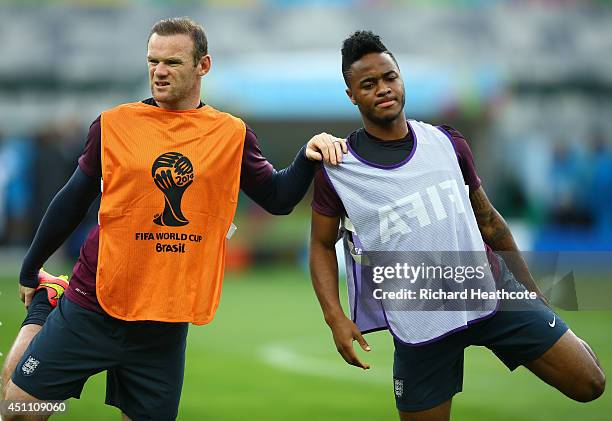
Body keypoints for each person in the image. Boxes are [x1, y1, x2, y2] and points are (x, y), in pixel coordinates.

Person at [1, 17, 346, 421]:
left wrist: (308, 154)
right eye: (153, 61)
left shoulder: (231, 134)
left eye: (173, 63)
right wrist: (30, 269)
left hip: (165, 320)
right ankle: (46, 309)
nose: (159, 72)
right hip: (95, 302)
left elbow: (279, 198)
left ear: (203, 65)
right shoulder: (114, 124)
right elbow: (73, 199)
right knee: (19, 413)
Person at [309, 31, 605, 421]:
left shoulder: (447, 142)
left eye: (389, 77)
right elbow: (320, 244)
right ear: (352, 95)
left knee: (590, 384)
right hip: (420, 318)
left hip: (489, 288)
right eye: (368, 84)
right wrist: (335, 318)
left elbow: (489, 221)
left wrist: (530, 292)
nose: (382, 89)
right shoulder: (338, 169)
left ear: (401, 79)